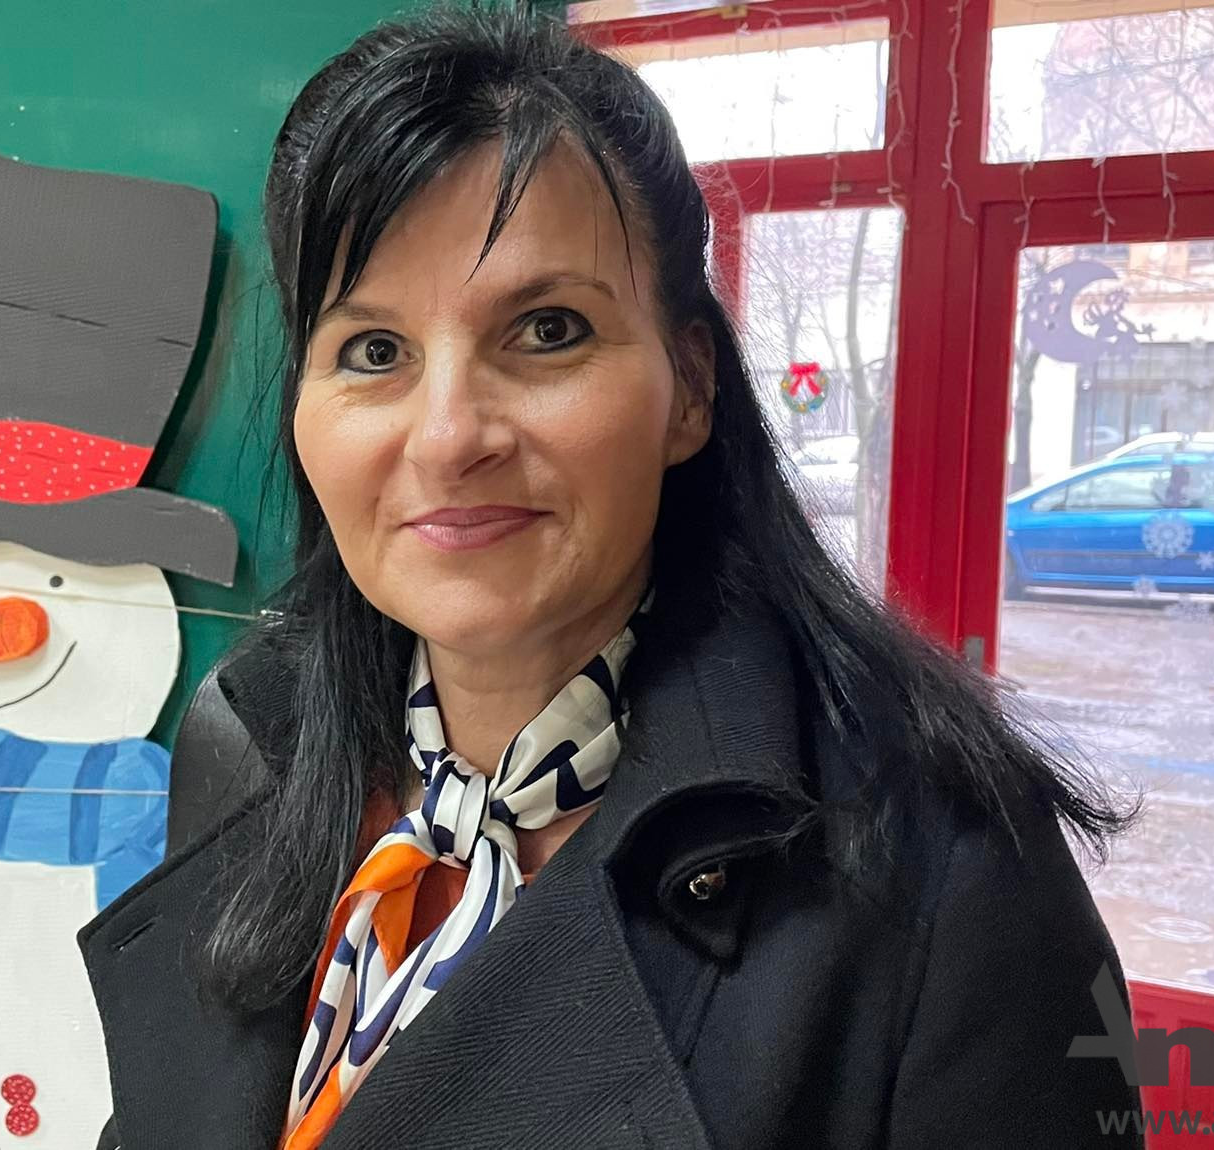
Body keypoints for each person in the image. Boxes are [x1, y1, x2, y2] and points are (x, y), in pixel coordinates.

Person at [80, 7, 1144, 1148]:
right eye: (373, 351)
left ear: (689, 387)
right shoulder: (252, 737)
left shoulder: (942, 873)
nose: (447, 436)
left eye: (546, 330)